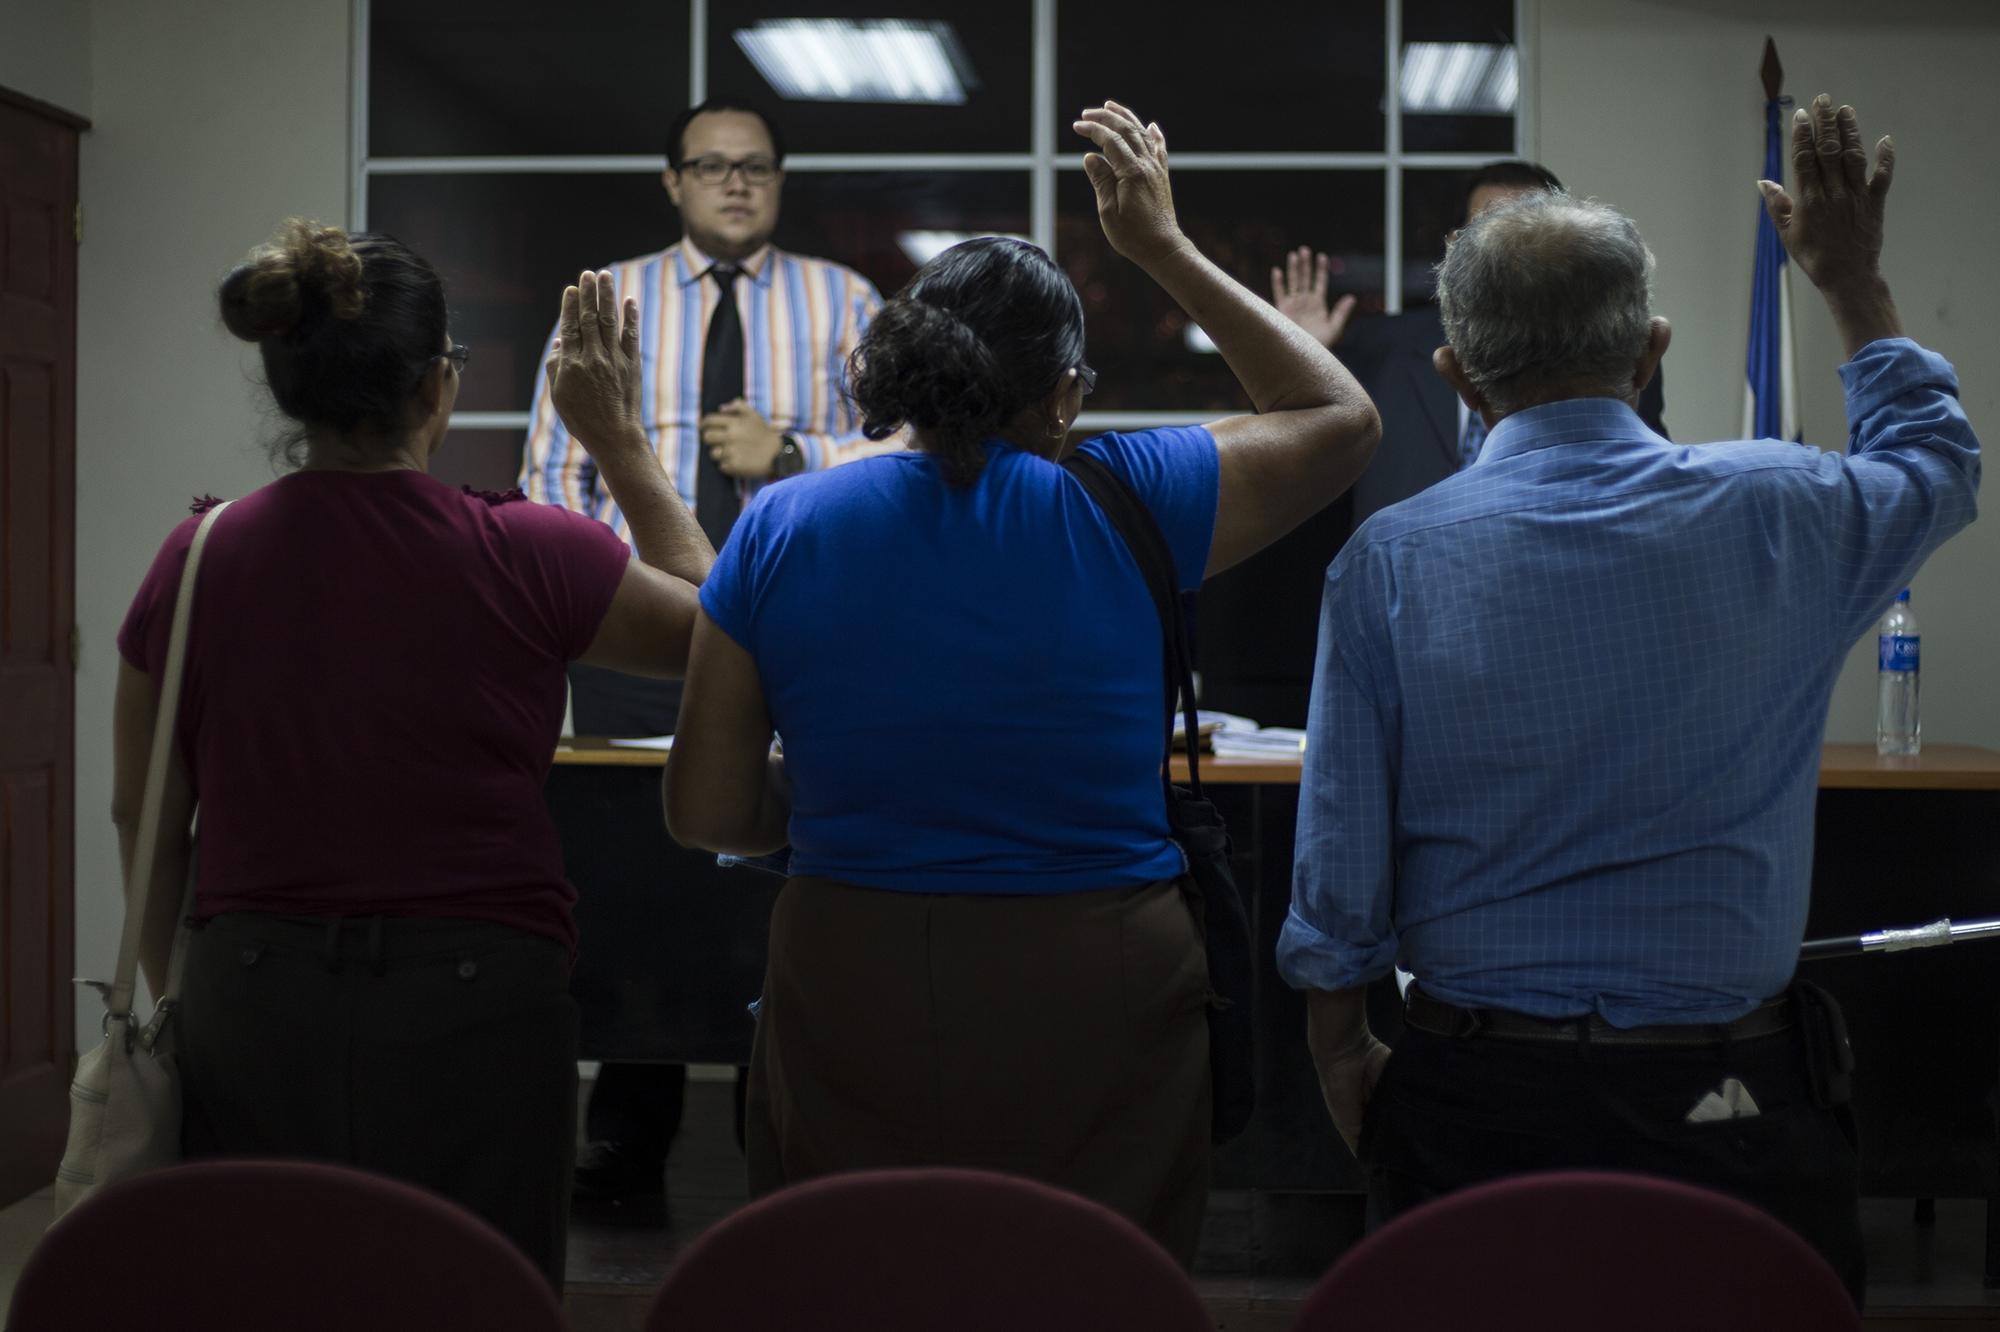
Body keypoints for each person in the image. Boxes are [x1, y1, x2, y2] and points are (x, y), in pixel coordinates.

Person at [1277, 96, 1978, 1303]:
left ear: (1454, 373)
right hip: (1732, 1109)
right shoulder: (1785, 509)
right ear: (1649, 349)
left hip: (1468, 1098)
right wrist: (1850, 281)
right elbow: (1931, 460)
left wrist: (1341, 1057)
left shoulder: (1388, 560)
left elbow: (1339, 866)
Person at [660, 100, 1379, 1267]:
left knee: (853, 1280)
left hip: (852, 965)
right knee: (1088, 1280)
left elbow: (704, 812)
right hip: (1096, 975)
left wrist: (856, 792)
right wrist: (1160, 246)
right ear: (1061, 394)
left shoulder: (781, 521)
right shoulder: (1129, 494)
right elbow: (1336, 417)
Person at [112, 220, 709, 1287]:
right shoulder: (527, 549)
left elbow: (141, 815)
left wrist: (182, 1006)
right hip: (478, 997)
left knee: (271, 1296)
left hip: (255, 987)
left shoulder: (195, 558)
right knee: (472, 1294)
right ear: (439, 386)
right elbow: (727, 630)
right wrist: (616, 440)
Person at [518, 97, 891, 1202]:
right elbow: (552, 479)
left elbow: (896, 457)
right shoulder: (610, 296)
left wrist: (792, 449)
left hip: (802, 627)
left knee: (776, 865)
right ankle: (627, 1133)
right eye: (711, 166)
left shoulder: (846, 300)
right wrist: (619, 595)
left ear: (779, 181)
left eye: (756, 168)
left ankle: (768, 1121)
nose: (735, 183)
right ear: (672, 182)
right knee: (639, 868)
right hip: (638, 633)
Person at [1271, 160, 1668, 536]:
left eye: (1531, 229)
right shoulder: (1378, 348)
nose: (1515, 252)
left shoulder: (1612, 353)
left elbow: (1652, 487)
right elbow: (1297, 471)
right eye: (1493, 229)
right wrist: (1296, 360)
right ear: (1455, 244)